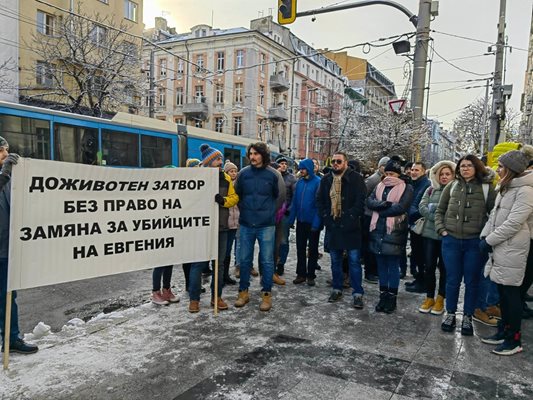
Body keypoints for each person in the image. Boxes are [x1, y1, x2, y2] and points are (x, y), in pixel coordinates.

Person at [479, 145, 533, 355]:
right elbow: (494, 216)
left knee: (512, 295)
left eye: (501, 166)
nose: (497, 169)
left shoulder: (526, 190)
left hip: (517, 248)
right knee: (502, 291)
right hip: (503, 246)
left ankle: (514, 340)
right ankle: (504, 330)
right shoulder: (507, 187)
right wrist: (485, 235)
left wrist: (489, 240)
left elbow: (514, 222)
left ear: (511, 168)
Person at [435, 154, 496, 336]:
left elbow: (494, 214)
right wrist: (442, 230)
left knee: (472, 281)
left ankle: (468, 316)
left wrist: (485, 237)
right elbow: (440, 210)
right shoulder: (452, 186)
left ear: (477, 167)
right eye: (462, 166)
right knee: (452, 280)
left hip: (474, 243)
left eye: (469, 165)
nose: (465, 169)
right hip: (451, 241)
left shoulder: (487, 188)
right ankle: (450, 314)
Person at [188, 145, 238, 313]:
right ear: (209, 162)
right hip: (202, 228)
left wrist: (223, 200)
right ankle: (194, 299)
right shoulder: (196, 178)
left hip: (221, 228)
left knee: (220, 264)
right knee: (198, 264)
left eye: (220, 159)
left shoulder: (225, 178)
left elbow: (234, 197)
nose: (221, 161)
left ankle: (216, 297)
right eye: (217, 159)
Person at [234, 142, 284, 311]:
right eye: (251, 154)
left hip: (266, 225)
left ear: (263, 155)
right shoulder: (243, 174)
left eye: (256, 154)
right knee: (245, 260)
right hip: (246, 223)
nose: (252, 157)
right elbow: (237, 195)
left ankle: (267, 294)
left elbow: (279, 198)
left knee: (267, 261)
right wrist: (246, 211)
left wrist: (268, 213)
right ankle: (243, 292)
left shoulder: (273, 175)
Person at [0, 136, 38, 354]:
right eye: (2, 151)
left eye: (6, 150)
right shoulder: (3, 178)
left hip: (6, 250)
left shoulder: (7, 180)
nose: (6, 155)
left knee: (7, 296)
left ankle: (11, 338)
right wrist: (5, 174)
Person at [317, 151, 366, 308]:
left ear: (345, 163)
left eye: (339, 161)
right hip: (333, 226)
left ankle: (357, 293)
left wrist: (350, 217)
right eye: (333, 162)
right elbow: (320, 201)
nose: (336, 164)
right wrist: (327, 218)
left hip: (351, 228)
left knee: (354, 261)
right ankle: (337, 288)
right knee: (335, 261)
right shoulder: (326, 179)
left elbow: (360, 202)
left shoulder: (356, 179)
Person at [367, 159, 413, 313]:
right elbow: (370, 202)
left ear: (398, 174)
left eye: (392, 173)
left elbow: (401, 207)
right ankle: (382, 296)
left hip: (394, 232)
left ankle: (391, 297)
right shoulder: (379, 186)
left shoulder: (406, 187)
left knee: (392, 266)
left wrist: (380, 211)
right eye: (386, 173)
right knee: (381, 266)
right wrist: (384, 206)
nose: (388, 176)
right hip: (378, 231)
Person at [417, 160, 456, 314]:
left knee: (445, 269)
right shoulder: (430, 190)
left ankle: (441, 298)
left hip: (447, 236)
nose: (444, 177)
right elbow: (422, 207)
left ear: (453, 175)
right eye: (441, 174)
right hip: (429, 235)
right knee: (429, 267)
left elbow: (451, 213)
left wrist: (434, 211)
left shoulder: (455, 191)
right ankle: (429, 297)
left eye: (447, 174)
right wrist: (437, 215)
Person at [288, 158, 321, 286]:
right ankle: (301, 273)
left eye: (303, 168)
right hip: (301, 221)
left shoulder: (318, 182)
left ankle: (311, 275)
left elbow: (319, 205)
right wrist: (291, 219)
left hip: (312, 222)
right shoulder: (300, 183)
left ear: (309, 169)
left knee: (312, 250)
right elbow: (295, 203)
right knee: (300, 248)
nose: (301, 171)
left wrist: (317, 223)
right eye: (300, 168)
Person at [362, 156, 390, 284]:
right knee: (370, 245)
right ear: (379, 166)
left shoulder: (388, 179)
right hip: (369, 216)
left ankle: (375, 270)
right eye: (384, 165)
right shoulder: (373, 180)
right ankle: (369, 272)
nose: (385, 168)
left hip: (380, 216)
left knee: (377, 244)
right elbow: (364, 197)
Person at [405, 162, 431, 293]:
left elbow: (420, 205)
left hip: (420, 224)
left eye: (417, 170)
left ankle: (422, 282)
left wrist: (409, 213)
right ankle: (419, 279)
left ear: (424, 171)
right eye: (412, 169)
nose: (413, 172)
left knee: (421, 255)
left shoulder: (426, 184)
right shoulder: (414, 183)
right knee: (416, 253)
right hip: (414, 222)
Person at [275, 156, 296, 276]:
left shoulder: (291, 179)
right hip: (272, 213)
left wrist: (289, 210)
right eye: (281, 163)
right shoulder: (273, 176)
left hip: (284, 214)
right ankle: (273, 262)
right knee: (272, 240)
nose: (283, 166)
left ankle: (281, 263)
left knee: (283, 240)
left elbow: (294, 197)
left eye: (285, 164)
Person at [223, 160, 239, 285]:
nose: (233, 173)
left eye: (235, 171)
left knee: (230, 249)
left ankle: (226, 274)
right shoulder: (224, 184)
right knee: (225, 250)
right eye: (231, 171)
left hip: (236, 223)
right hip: (226, 222)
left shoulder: (239, 185)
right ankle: (222, 275)